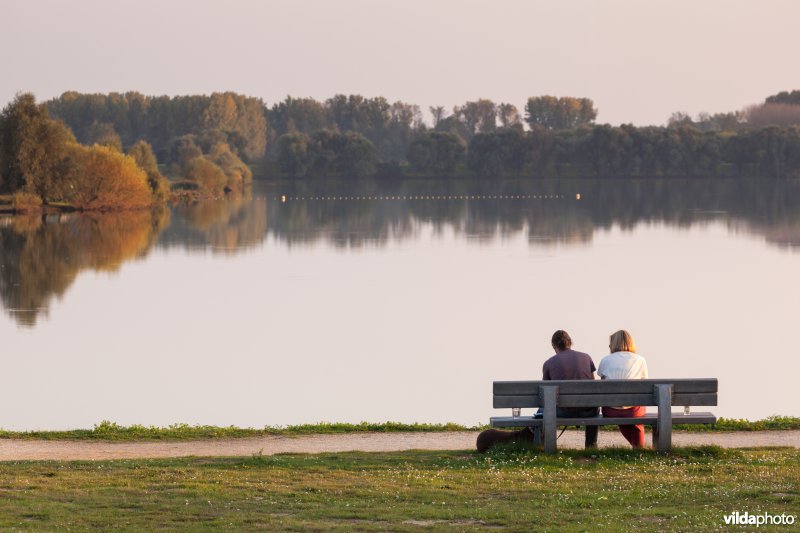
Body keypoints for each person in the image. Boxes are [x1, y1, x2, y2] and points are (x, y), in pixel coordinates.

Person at [541, 330, 599, 448]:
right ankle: (591, 445)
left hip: (563, 411)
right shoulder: (586, 357)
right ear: (570, 342)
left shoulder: (548, 363)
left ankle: (544, 445)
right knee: (594, 406)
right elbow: (593, 385)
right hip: (587, 411)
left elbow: (545, 393)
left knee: (544, 410)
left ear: (554, 346)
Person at [597, 329, 648, 448]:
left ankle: (638, 449)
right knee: (635, 419)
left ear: (614, 344)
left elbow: (602, 385)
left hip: (611, 410)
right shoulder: (640, 360)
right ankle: (639, 450)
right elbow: (644, 384)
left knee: (621, 410)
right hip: (633, 410)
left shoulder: (606, 360)